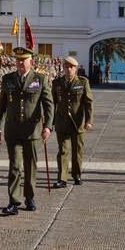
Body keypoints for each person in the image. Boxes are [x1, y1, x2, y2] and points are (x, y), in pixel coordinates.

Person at [0, 47, 53, 215]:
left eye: (23, 60)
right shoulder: (8, 79)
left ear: (30, 61)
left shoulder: (40, 79)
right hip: (12, 130)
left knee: (30, 166)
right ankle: (14, 201)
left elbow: (49, 105)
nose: (20, 63)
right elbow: (2, 105)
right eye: (18, 60)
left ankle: (29, 197)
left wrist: (48, 126)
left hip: (32, 131)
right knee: (14, 166)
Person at [51, 56, 93, 188]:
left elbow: (88, 102)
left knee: (77, 151)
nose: (68, 69)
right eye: (66, 67)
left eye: (71, 67)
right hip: (61, 122)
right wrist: (49, 122)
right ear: (63, 68)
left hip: (77, 122)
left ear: (76, 68)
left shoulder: (83, 82)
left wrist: (89, 120)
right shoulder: (56, 83)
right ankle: (62, 178)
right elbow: (53, 103)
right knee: (63, 151)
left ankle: (77, 175)